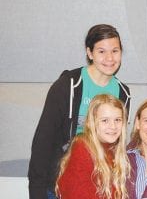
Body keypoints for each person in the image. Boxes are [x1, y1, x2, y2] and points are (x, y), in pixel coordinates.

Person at [28, 24, 131, 199]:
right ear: (89, 53)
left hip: (99, 187)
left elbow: (116, 146)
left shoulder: (123, 93)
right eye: (101, 51)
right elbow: (42, 142)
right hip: (59, 187)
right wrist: (36, 192)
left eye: (115, 51)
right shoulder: (67, 86)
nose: (109, 58)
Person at [55, 94, 130, 199]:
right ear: (92, 123)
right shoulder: (83, 148)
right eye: (105, 120)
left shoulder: (113, 151)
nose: (113, 126)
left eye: (117, 120)